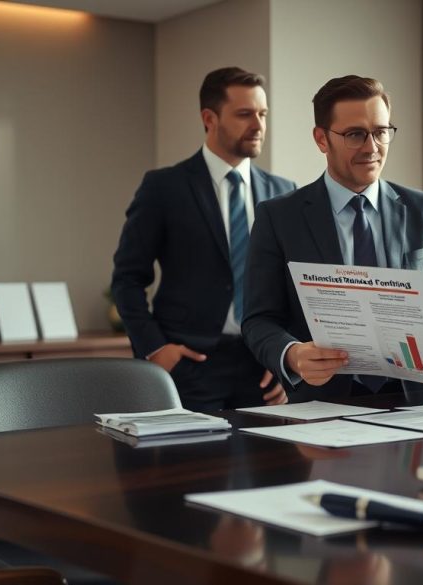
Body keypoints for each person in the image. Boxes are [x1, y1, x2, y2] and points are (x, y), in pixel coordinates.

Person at [242, 75, 423, 401]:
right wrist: (293, 354)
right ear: (321, 139)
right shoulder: (279, 217)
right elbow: (259, 320)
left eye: (381, 132)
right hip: (322, 405)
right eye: (356, 134)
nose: (372, 147)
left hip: (417, 401)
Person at [111, 67, 297, 411]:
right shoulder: (163, 187)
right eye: (244, 114)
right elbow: (127, 278)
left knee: (273, 465)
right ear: (209, 118)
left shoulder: (283, 193)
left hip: (262, 369)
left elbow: (294, 287)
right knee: (192, 465)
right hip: (188, 366)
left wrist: (286, 356)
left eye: (263, 114)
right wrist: (155, 350)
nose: (258, 125)